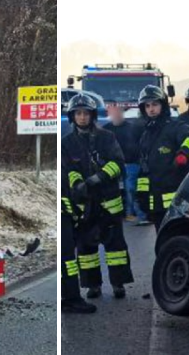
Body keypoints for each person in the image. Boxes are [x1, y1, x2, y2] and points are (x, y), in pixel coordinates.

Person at [61, 93, 133, 300]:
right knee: (86, 249)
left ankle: (118, 283)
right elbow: (68, 169)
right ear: (72, 116)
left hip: (108, 201)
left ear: (92, 115)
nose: (82, 117)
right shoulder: (67, 142)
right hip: (85, 205)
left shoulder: (107, 137)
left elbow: (118, 164)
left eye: (86, 113)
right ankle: (93, 285)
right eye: (78, 113)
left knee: (116, 247)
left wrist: (98, 178)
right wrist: (78, 184)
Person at [135, 85, 189, 231]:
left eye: (155, 104)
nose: (151, 109)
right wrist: (141, 194)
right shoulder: (145, 136)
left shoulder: (176, 126)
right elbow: (144, 168)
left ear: (163, 105)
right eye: (147, 106)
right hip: (157, 205)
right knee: (162, 241)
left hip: (179, 203)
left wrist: (183, 154)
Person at [60, 149, 96, 315]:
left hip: (65, 215)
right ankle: (71, 298)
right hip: (62, 216)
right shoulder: (64, 156)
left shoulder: (64, 158)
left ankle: (68, 296)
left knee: (66, 259)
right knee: (67, 260)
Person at [102, 101, 144, 224]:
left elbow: (141, 145)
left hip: (131, 164)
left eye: (118, 111)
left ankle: (134, 214)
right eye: (112, 111)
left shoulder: (132, 128)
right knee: (117, 191)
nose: (116, 114)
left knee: (131, 189)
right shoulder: (106, 130)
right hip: (112, 166)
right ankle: (121, 214)